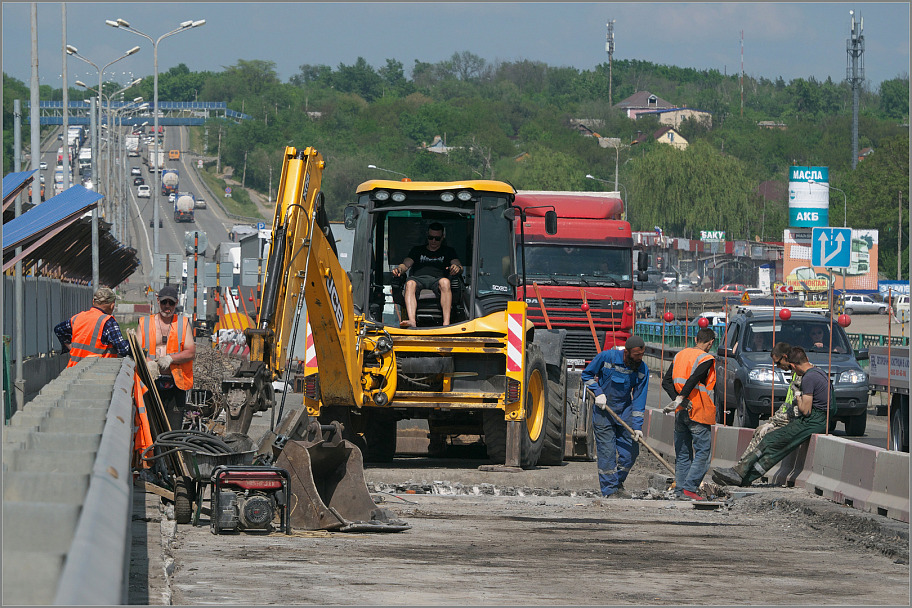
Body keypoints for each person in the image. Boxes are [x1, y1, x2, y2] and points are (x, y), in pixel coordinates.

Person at [712, 345, 830, 487]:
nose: (779, 367)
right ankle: (743, 477)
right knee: (774, 451)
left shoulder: (808, 377)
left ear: (792, 363)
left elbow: (805, 410)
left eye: (778, 363)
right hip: (812, 421)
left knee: (768, 439)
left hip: (811, 421)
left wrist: (798, 395)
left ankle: (740, 473)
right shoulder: (817, 373)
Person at [581, 335, 649, 498]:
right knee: (607, 453)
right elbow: (586, 376)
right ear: (626, 352)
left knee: (630, 453)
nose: (639, 358)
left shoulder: (641, 369)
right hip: (604, 412)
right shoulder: (606, 358)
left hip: (625, 413)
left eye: (641, 355)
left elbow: (639, 399)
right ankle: (610, 491)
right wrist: (598, 393)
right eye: (636, 355)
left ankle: (617, 483)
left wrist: (637, 426)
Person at [661, 327, 717, 501]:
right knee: (703, 453)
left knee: (683, 453)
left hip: (681, 411)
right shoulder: (706, 357)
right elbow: (694, 378)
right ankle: (690, 488)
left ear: (695, 339)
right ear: (710, 343)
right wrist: (682, 397)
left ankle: (680, 490)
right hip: (698, 410)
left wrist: (678, 400)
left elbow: (666, 381)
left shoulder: (680, 355)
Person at [137, 285, 196, 431]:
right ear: (158, 301)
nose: (167, 306)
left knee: (173, 429)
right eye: (164, 302)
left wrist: (170, 359)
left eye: (171, 303)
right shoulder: (145, 323)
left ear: (176, 303)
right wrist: (147, 363)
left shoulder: (183, 323)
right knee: (151, 428)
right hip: (150, 383)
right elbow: (135, 351)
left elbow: (190, 352)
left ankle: (171, 453)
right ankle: (154, 453)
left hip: (176, 384)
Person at [392, 222, 463, 327]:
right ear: (427, 236)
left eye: (437, 238)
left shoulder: (448, 251)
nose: (433, 241)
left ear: (442, 237)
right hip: (418, 279)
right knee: (410, 283)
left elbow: (458, 266)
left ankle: (446, 323)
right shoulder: (417, 250)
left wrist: (457, 268)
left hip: (438, 280)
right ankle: (412, 320)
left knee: (446, 282)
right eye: (431, 237)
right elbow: (406, 264)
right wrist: (399, 269)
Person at [740, 342, 798, 457]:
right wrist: (773, 420)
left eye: (778, 362)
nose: (778, 367)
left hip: (793, 419)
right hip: (785, 416)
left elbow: (798, 407)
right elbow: (788, 403)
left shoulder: (801, 374)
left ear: (785, 357)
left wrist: (775, 422)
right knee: (759, 431)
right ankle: (742, 465)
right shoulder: (794, 373)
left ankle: (744, 467)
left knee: (764, 435)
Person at [54, 287, 130, 367]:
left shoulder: (77, 318)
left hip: (73, 369)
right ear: (112, 305)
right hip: (97, 371)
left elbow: (58, 329)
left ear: (93, 302)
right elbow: (123, 349)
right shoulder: (108, 322)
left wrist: (70, 347)